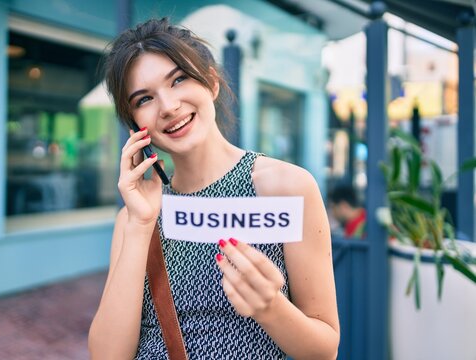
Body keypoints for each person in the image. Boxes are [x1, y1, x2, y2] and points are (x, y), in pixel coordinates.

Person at [88, 18, 339, 359]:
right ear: (135, 126)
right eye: (144, 99)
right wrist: (140, 225)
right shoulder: (135, 217)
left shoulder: (285, 188)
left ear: (212, 81)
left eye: (178, 79)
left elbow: (324, 350)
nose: (169, 107)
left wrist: (270, 308)